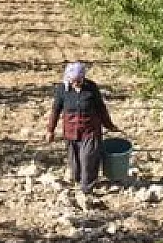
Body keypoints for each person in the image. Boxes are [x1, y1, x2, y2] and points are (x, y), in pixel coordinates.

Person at [44, 61, 118, 208]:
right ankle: (79, 182)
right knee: (75, 165)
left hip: (90, 130)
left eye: (79, 80)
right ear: (68, 79)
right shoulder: (62, 90)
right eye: (74, 81)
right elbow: (55, 111)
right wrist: (50, 130)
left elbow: (101, 109)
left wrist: (109, 125)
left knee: (88, 159)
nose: (76, 83)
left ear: (83, 78)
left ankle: (87, 190)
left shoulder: (91, 88)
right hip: (71, 132)